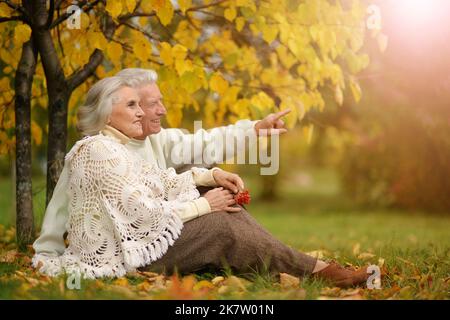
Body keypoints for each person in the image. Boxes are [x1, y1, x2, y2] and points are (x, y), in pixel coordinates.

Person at [33, 70, 370, 287]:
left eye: (147, 103)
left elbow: (187, 158)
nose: (156, 110)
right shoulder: (96, 151)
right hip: (129, 251)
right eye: (141, 104)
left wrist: (217, 170)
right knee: (220, 223)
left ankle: (289, 262)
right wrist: (48, 250)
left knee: (216, 198)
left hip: (150, 235)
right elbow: (126, 211)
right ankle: (312, 270)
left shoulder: (139, 141)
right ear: (109, 112)